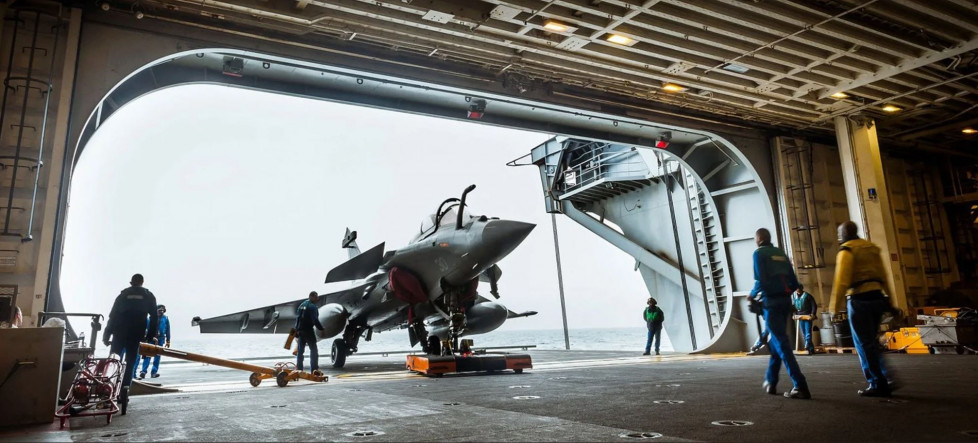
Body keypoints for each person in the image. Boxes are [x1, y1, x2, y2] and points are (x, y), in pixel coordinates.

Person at [829, 221, 898, 397]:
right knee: (872, 342)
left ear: (844, 235)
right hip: (877, 298)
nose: (839, 238)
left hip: (859, 300)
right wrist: (890, 301)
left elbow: (841, 282)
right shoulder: (871, 248)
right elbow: (884, 276)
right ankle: (885, 378)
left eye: (839, 234)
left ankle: (877, 383)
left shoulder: (847, 251)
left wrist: (833, 309)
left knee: (863, 344)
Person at [750, 228, 811, 399]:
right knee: (777, 341)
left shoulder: (759, 254)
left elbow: (761, 280)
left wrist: (752, 295)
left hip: (771, 303)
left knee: (782, 343)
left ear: (759, 239)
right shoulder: (781, 254)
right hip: (785, 302)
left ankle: (800, 384)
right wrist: (784, 292)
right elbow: (794, 282)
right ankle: (771, 380)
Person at [102, 273, 158, 412]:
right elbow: (154, 317)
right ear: (142, 282)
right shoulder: (148, 295)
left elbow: (113, 314)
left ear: (131, 282)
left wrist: (106, 333)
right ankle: (124, 391)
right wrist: (150, 336)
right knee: (130, 362)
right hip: (136, 334)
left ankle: (108, 391)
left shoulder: (123, 295)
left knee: (114, 362)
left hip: (119, 333)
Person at [295, 291, 325, 372]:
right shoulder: (312, 307)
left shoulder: (301, 305)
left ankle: (299, 370)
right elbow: (315, 320)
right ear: (311, 297)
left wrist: (296, 330)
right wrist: (321, 329)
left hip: (300, 331)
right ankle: (314, 370)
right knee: (314, 350)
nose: (317, 298)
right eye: (316, 297)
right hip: (308, 331)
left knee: (300, 352)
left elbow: (297, 318)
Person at [138, 304, 171, 379]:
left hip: (161, 339)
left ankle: (154, 372)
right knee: (147, 355)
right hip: (151, 339)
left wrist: (168, 340)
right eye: (159, 310)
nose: (161, 312)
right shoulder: (150, 318)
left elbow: (168, 330)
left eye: (163, 310)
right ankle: (143, 371)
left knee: (157, 356)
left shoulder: (165, 319)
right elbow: (146, 329)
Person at [792, 285, 817, 354]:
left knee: (808, 332)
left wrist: (813, 314)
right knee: (804, 333)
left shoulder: (807, 295)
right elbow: (793, 306)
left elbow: (814, 305)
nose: (797, 289)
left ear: (801, 288)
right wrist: (794, 314)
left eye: (798, 288)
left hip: (807, 315)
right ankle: (811, 349)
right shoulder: (794, 296)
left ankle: (807, 345)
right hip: (800, 316)